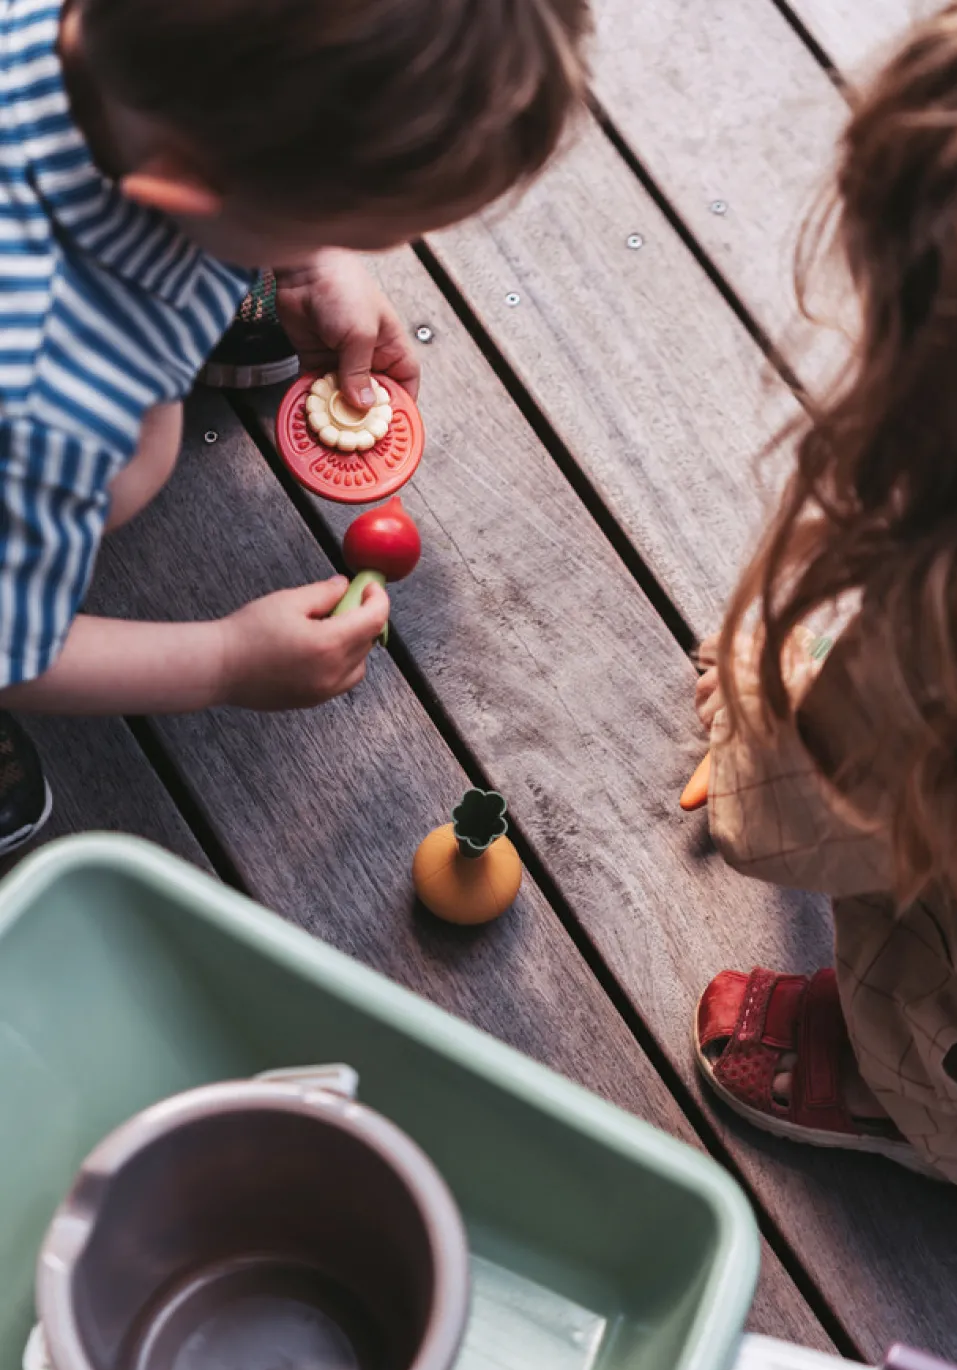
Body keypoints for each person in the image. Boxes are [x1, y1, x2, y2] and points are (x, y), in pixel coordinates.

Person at [0, 0, 590, 851]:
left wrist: (310, 256)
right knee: (134, 462)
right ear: (182, 187)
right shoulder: (53, 392)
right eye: (338, 227)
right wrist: (224, 660)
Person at [693, 0, 957, 1207]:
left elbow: (770, 825)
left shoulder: (947, 654)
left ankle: (914, 1097)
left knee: (936, 937)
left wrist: (765, 693)